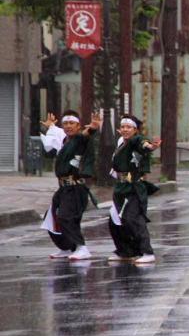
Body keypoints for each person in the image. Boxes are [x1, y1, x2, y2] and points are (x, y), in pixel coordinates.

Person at [40, 110, 102, 261]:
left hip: (75, 187)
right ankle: (66, 247)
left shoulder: (80, 140)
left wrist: (93, 128)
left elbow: (86, 135)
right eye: (65, 123)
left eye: (72, 123)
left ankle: (81, 247)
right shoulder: (64, 141)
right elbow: (50, 147)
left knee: (66, 217)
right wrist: (50, 128)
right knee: (52, 218)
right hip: (63, 188)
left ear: (78, 126)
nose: (68, 126)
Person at [107, 114, 162, 264]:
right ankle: (126, 251)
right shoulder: (121, 143)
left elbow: (142, 143)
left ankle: (147, 252)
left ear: (135, 130)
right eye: (123, 127)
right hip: (121, 187)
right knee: (115, 221)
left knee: (133, 219)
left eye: (129, 127)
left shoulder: (136, 140)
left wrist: (151, 146)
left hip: (134, 188)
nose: (125, 129)